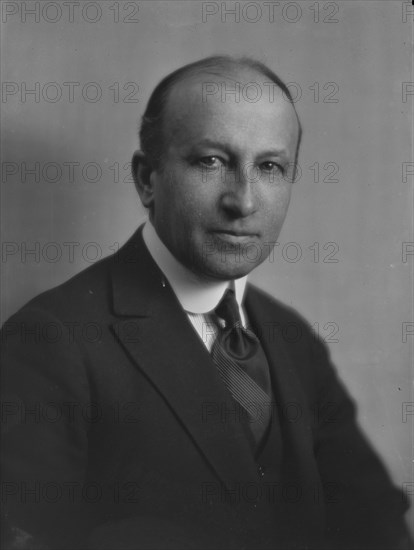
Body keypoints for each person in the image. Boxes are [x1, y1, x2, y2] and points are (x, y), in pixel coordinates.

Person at [1, 55, 412, 550]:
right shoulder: (50, 339)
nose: (243, 201)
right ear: (147, 179)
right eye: (211, 161)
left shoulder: (292, 338)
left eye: (269, 167)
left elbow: (374, 518)